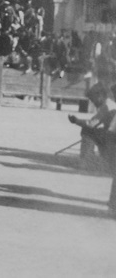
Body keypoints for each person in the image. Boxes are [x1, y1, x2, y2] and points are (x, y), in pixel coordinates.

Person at [68, 83, 116, 216]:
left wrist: (77, 121)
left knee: (87, 131)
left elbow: (92, 124)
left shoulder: (108, 105)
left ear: (100, 95)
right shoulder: (110, 105)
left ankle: (87, 160)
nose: (93, 102)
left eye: (93, 98)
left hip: (112, 140)